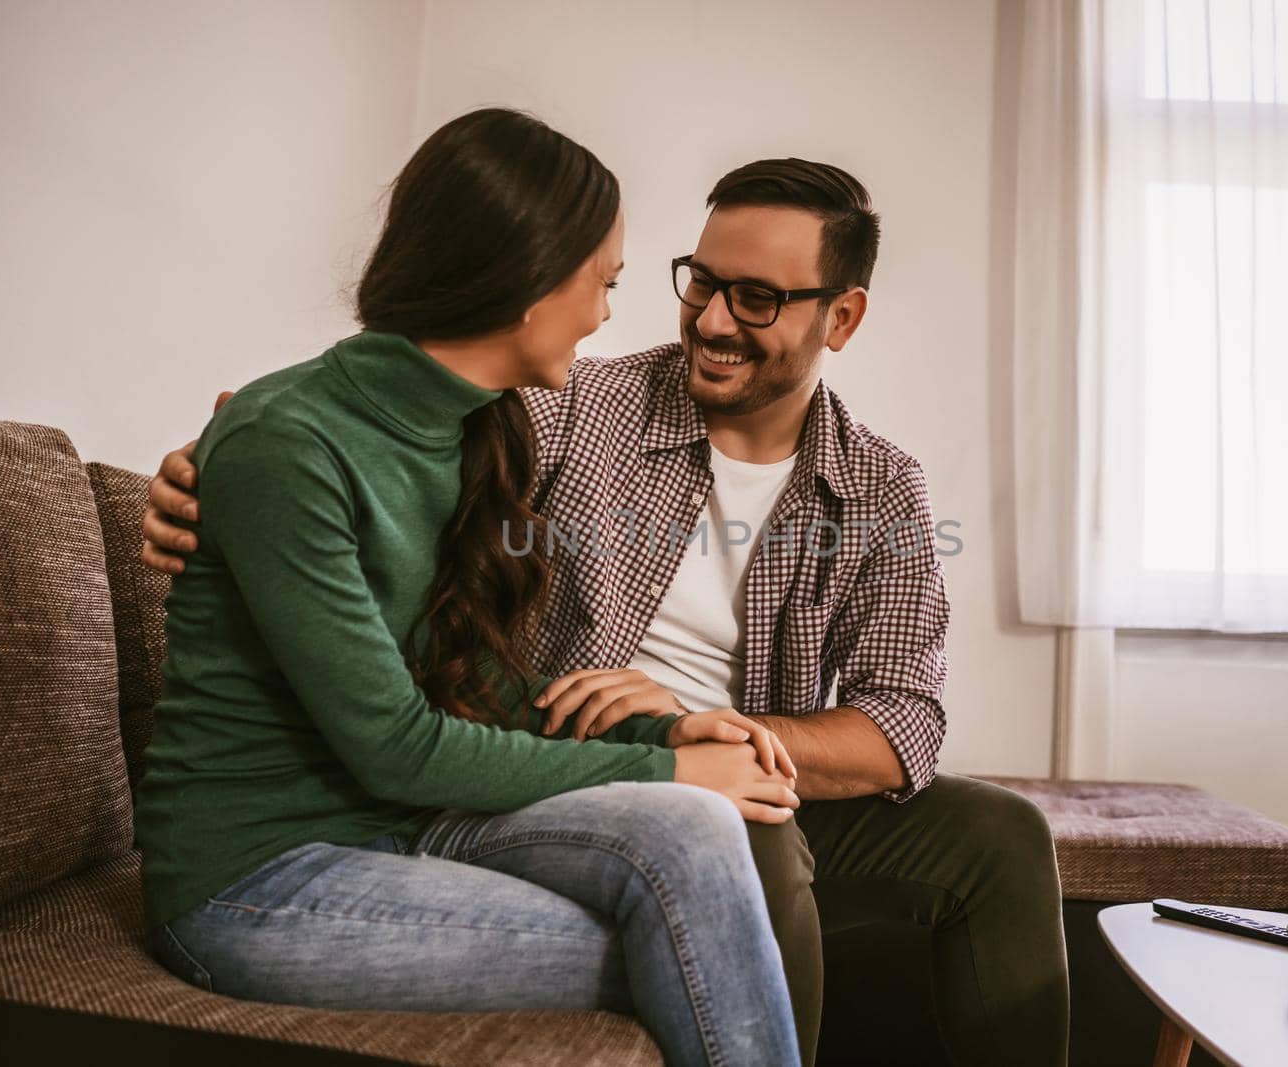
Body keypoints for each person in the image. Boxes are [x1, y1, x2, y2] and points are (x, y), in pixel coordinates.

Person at [143, 156, 1069, 1066]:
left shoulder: (880, 484)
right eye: (700, 281)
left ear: (843, 316)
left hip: (727, 747)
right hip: (563, 757)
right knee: (745, 834)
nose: (710, 320)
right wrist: (205, 462)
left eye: (755, 298)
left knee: (1000, 834)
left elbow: (902, 722)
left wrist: (724, 738)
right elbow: (395, 420)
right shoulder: (572, 401)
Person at [132, 107, 801, 1067]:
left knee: (694, 842)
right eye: (603, 282)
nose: (610, 314)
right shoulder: (289, 439)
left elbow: (472, 685)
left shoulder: (482, 426)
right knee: (698, 944)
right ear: (529, 279)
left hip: (406, 829)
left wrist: (666, 734)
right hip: (256, 881)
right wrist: (669, 768)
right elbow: (396, 748)